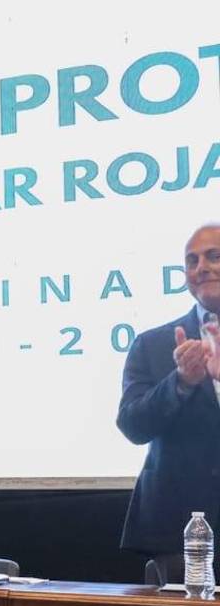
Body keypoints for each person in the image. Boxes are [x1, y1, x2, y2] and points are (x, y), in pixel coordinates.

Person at [118, 223, 220, 584]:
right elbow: (132, 424)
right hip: (182, 529)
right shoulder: (153, 343)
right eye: (191, 261)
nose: (201, 267)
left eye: (213, 256)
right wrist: (180, 383)